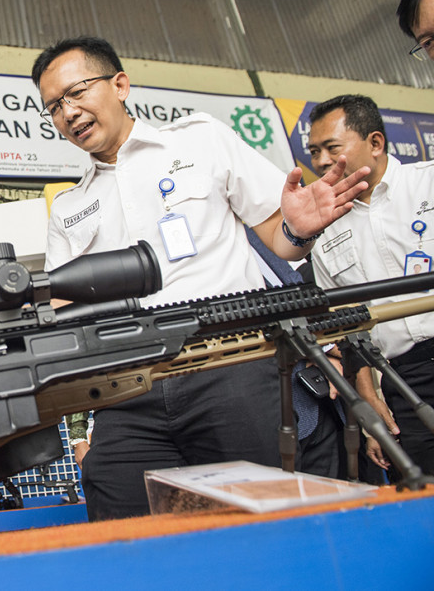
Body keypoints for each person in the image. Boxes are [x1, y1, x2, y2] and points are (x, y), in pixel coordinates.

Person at [30, 36, 369, 521]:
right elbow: (66, 318)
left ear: (120, 84)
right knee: (123, 529)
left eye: (77, 91)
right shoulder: (67, 208)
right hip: (128, 392)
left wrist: (296, 227)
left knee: (263, 529)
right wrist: (84, 423)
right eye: (54, 106)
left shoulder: (199, 139)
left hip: (231, 368)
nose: (68, 112)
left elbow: (278, 234)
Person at [306, 94, 434, 475]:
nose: (321, 162)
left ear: (375, 143)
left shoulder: (427, 182)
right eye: (314, 152)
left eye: (332, 148)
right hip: (404, 382)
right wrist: (370, 406)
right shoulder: (323, 232)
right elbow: (346, 330)